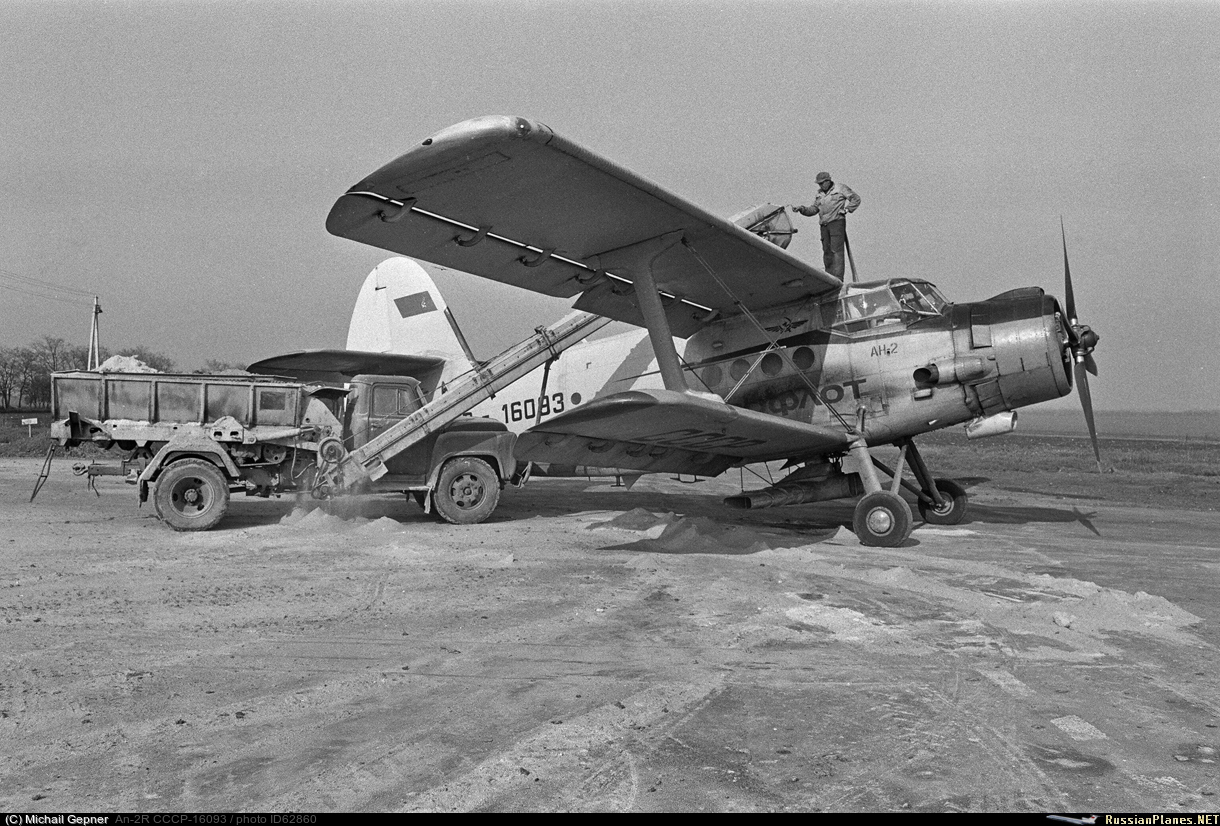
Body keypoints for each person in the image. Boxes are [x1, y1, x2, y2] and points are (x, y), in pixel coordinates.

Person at [791, 172, 860, 278]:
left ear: (828, 181)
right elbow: (814, 209)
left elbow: (856, 199)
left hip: (836, 223)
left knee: (836, 251)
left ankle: (838, 279)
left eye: (822, 183)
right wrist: (802, 209)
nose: (820, 186)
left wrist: (847, 209)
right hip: (824, 226)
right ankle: (829, 278)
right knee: (827, 252)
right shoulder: (819, 194)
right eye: (819, 184)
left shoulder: (840, 188)